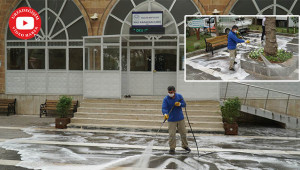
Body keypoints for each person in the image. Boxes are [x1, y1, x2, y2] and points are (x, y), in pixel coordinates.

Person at [162, 86, 191, 154]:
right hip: (171, 119)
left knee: (183, 132)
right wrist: (165, 114)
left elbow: (184, 104)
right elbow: (164, 108)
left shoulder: (179, 96)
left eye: (171, 92)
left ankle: (185, 146)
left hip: (180, 118)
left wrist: (180, 104)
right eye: (169, 92)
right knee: (172, 134)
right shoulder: (166, 99)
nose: (170, 93)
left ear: (174, 91)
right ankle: (172, 148)